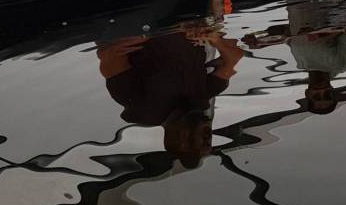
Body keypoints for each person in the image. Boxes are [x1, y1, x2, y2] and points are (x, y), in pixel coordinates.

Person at [97, 26, 244, 168]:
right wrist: (213, 38)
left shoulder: (140, 106)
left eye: (201, 141)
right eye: (209, 140)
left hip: (142, 21)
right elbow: (235, 56)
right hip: (185, 17)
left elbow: (109, 56)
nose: (208, 135)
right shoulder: (205, 94)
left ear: (178, 140)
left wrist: (153, 32)